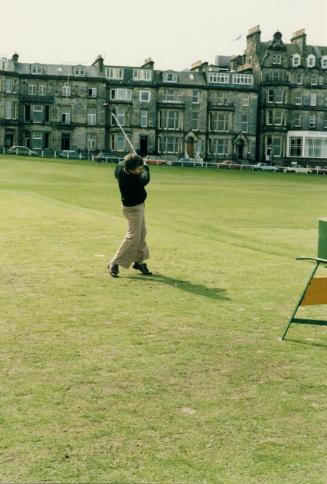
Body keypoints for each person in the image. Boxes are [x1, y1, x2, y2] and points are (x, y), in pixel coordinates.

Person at [108, 153, 152, 278]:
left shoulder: (120, 166)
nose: (141, 170)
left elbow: (125, 162)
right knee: (133, 236)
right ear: (131, 170)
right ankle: (114, 262)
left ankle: (138, 261)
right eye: (139, 169)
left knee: (142, 233)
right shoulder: (132, 179)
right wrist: (147, 168)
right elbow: (146, 179)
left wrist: (135, 159)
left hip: (139, 206)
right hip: (132, 209)